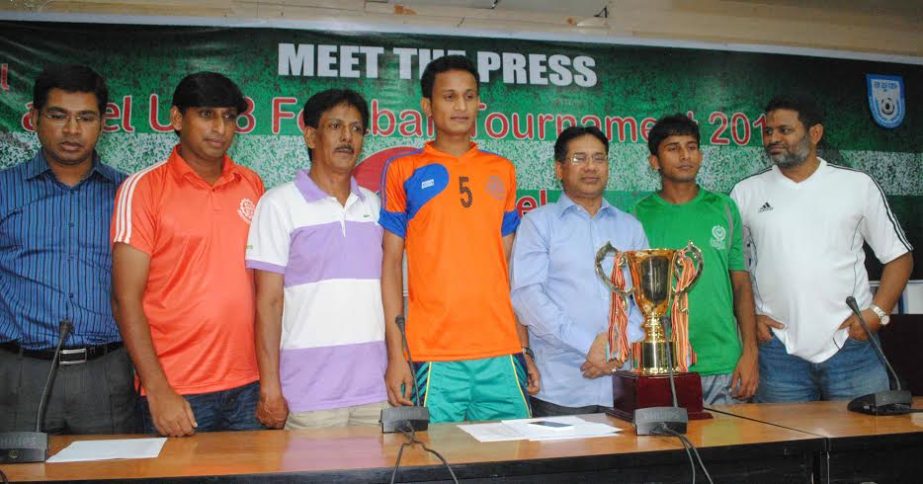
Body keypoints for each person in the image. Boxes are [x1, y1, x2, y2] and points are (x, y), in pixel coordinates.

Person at [379, 55, 537, 423]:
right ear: (427, 106)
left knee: (510, 462)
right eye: (449, 97)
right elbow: (389, 265)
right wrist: (396, 354)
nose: (461, 106)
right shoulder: (403, 170)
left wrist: (523, 346)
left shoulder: (502, 170)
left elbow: (507, 267)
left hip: (500, 350)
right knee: (434, 466)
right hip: (434, 353)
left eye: (469, 96)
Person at [730, 94, 913, 403]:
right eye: (768, 131)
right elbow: (734, 269)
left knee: (865, 445)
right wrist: (751, 320)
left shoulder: (857, 185)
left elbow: (899, 257)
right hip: (777, 353)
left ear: (814, 134)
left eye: (784, 130)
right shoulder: (746, 192)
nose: (773, 138)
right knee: (784, 448)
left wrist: (878, 312)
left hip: (852, 346)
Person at [111, 72, 265, 436]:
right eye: (207, 114)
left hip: (248, 385)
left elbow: (265, 289)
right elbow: (124, 300)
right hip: (179, 390)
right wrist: (159, 391)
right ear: (178, 119)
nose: (220, 128)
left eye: (229, 117)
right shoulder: (144, 188)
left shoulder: (252, 185)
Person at [0, 64, 134, 434]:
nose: (72, 130)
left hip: (107, 373)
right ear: (34, 117)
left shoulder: (129, 194)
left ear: (103, 122)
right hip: (20, 374)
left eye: (85, 118)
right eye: (58, 116)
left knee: (109, 475)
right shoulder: (4, 190)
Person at [246, 89, 388, 429]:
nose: (346, 137)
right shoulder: (278, 204)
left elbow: (393, 294)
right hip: (308, 396)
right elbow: (268, 303)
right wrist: (270, 388)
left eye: (356, 129)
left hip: (373, 393)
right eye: (335, 126)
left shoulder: (376, 207)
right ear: (311, 135)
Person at [510, 125, 646, 416]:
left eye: (599, 158)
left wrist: (614, 348)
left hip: (622, 383)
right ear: (559, 169)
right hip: (560, 387)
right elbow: (527, 298)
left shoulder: (630, 227)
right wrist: (590, 346)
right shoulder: (538, 224)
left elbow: (645, 302)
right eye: (579, 158)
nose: (591, 167)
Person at [632, 114, 759, 405]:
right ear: (655, 161)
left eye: (691, 146)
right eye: (673, 148)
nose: (685, 155)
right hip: (664, 365)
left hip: (724, 362)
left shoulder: (725, 209)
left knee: (727, 450)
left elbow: (740, 283)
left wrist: (750, 352)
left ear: (700, 155)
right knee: (669, 450)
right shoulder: (637, 215)